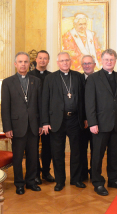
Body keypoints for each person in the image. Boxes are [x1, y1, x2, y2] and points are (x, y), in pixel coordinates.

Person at [85, 49, 117, 196]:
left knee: (115, 154)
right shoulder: (93, 78)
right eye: (106, 60)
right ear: (101, 61)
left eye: (111, 59)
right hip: (100, 124)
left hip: (116, 123)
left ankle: (113, 179)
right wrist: (92, 123)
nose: (109, 62)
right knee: (97, 155)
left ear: (115, 61)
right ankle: (97, 182)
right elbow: (89, 103)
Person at [42, 52, 87, 191]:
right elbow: (45, 101)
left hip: (75, 120)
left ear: (71, 61)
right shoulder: (50, 78)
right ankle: (60, 181)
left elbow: (84, 99)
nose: (65, 63)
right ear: (57, 63)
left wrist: (85, 118)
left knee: (77, 151)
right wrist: (45, 122)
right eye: (62, 60)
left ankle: (76, 179)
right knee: (57, 153)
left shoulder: (78, 77)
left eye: (67, 60)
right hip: (57, 121)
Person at [2, 52, 42, 195]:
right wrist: (7, 127)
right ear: (15, 64)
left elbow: (40, 105)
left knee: (33, 156)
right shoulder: (7, 82)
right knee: (18, 158)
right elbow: (5, 107)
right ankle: (19, 183)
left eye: (25, 62)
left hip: (33, 125)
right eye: (20, 62)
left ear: (29, 64)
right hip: (17, 126)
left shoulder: (36, 81)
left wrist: (41, 124)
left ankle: (31, 182)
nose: (23, 64)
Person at [27, 50, 55, 184]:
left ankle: (46, 172)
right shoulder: (29, 75)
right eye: (40, 58)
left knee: (47, 146)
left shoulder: (52, 76)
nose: (43, 61)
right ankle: (35, 173)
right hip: (33, 117)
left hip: (48, 118)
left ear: (48, 61)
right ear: (36, 60)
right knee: (33, 147)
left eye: (45, 58)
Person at [79, 55, 96, 181]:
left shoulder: (99, 78)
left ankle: (94, 172)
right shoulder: (77, 79)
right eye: (84, 64)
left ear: (94, 64)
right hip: (80, 121)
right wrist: (84, 118)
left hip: (96, 121)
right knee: (82, 149)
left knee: (95, 149)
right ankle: (83, 173)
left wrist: (91, 119)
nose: (87, 66)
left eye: (89, 63)